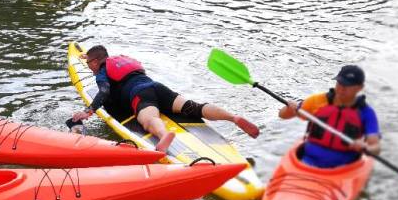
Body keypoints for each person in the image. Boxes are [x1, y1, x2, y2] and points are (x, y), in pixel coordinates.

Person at [70, 45, 260, 153]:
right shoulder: (120, 60)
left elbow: (103, 91)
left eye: (89, 64)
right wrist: (89, 56)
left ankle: (163, 136)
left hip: (139, 95)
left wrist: (88, 111)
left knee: (150, 120)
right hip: (157, 87)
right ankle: (233, 118)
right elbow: (98, 58)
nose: (88, 67)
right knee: (194, 107)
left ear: (96, 62)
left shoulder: (102, 72)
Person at [279, 64, 381, 168]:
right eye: (339, 83)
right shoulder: (317, 101)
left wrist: (367, 148)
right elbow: (282, 115)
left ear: (359, 88)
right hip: (308, 162)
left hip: (345, 167)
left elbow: (376, 147)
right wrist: (290, 109)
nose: (341, 89)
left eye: (347, 86)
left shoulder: (366, 113)